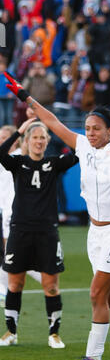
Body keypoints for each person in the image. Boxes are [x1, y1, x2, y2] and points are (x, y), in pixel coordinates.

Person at [3, 73, 110, 360]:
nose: (90, 133)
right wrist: (26, 98)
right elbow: (53, 121)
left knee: (96, 294)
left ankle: (94, 357)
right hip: (96, 232)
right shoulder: (82, 146)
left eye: (96, 129)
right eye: (87, 128)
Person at [0, 117, 78, 348]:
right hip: (19, 231)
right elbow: (1, 153)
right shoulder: (18, 163)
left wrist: (54, 126)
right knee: (15, 284)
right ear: (27, 140)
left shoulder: (54, 164)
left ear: (47, 141)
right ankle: (11, 332)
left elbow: (78, 151)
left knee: (51, 285)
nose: (39, 141)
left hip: (47, 233)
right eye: (34, 137)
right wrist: (20, 130)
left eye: (43, 137)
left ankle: (54, 334)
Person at [0, 124, 41, 308]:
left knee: (10, 253)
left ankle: (41, 272)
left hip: (14, 211)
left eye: (3, 137)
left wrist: (27, 126)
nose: (1, 140)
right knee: (7, 254)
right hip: (5, 211)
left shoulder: (17, 156)